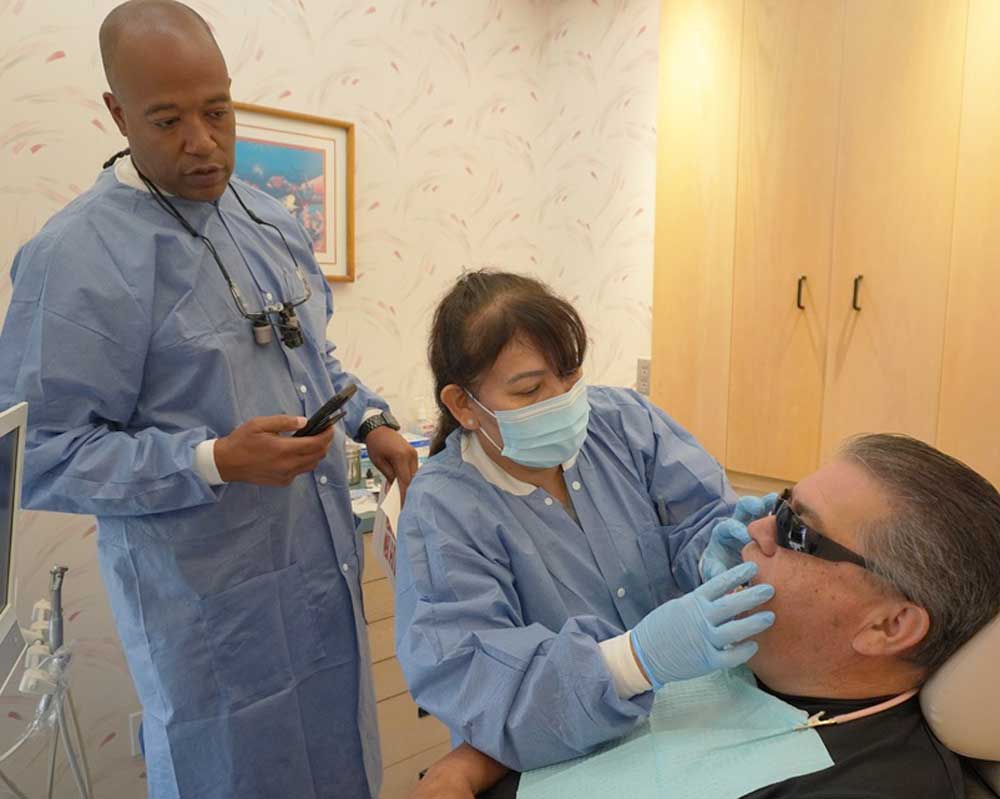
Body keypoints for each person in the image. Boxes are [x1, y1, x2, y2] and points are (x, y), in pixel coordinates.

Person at [0, 2, 417, 797]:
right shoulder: (73, 261)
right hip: (208, 620)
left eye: (217, 111)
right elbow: (41, 454)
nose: (202, 141)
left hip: (318, 584)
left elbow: (312, 355)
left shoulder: (266, 218)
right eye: (167, 120)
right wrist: (213, 460)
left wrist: (371, 418)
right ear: (118, 114)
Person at [411, 433, 1000, 799]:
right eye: (779, 504)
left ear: (888, 626)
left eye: (796, 531)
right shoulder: (740, 660)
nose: (755, 528)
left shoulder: (877, 783)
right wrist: (460, 771)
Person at [394, 270, 777, 773]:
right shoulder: (443, 510)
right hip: (560, 755)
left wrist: (716, 555)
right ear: (464, 404)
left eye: (570, 374)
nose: (562, 400)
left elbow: (699, 516)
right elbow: (481, 683)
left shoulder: (624, 423)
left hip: (695, 716)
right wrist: (633, 661)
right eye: (529, 391)